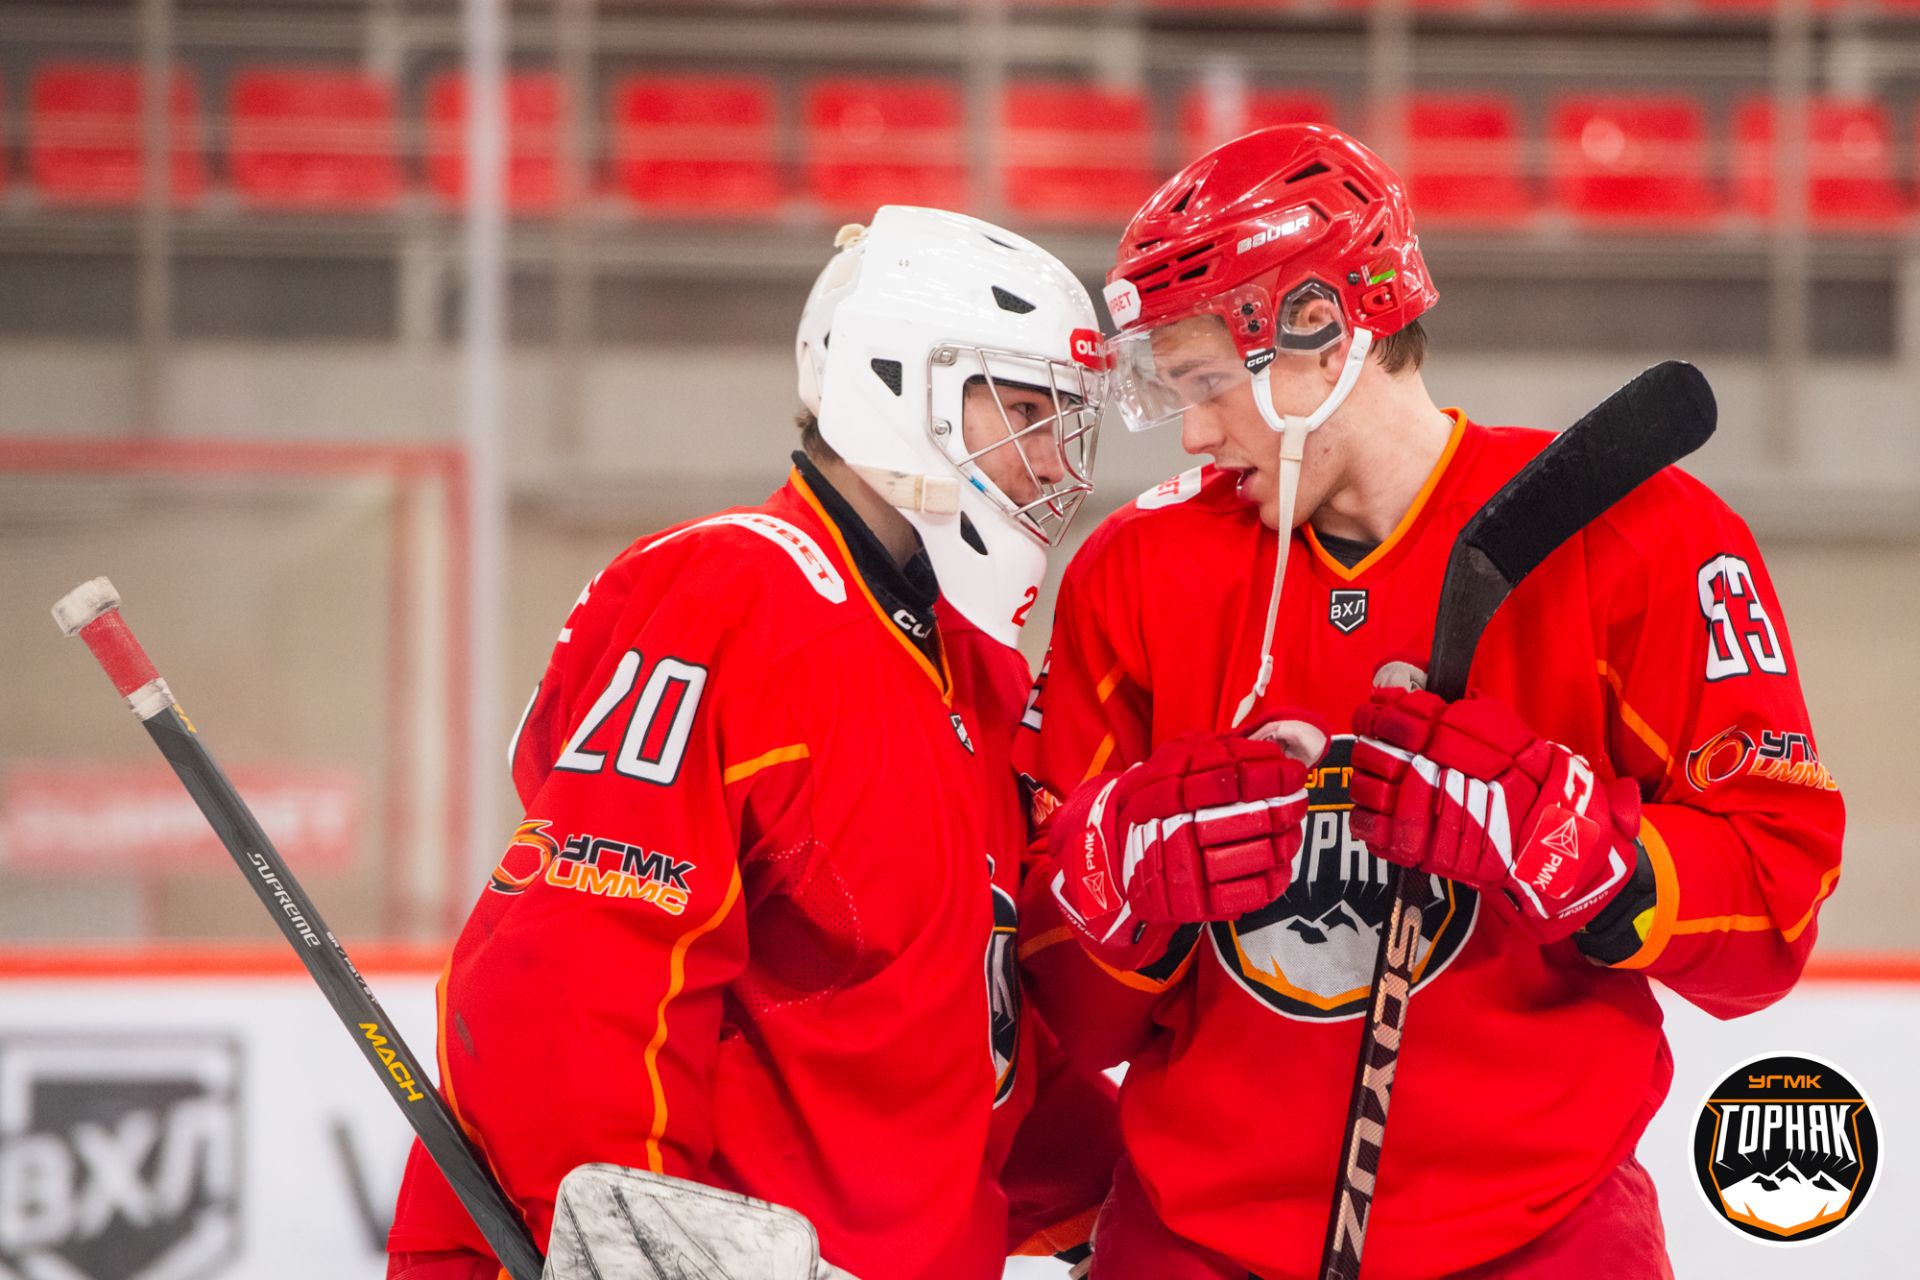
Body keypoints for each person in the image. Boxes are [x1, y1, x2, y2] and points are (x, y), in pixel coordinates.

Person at [1016, 124, 1845, 1279]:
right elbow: (1057, 1003)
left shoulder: (1640, 539)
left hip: (1543, 1236)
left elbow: (1771, 917)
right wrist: (1113, 880)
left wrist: (1588, 852)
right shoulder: (1136, 571)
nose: (1195, 431)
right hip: (1200, 1236)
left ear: (1320, 328)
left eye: (1205, 382)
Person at [387, 205, 1120, 1280]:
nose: (1052, 462)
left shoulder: (974, 678)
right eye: (1022, 410)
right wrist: (628, 1247)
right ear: (895, 385)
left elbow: (956, 1040)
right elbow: (578, 971)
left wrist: (1151, 1202)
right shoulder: (732, 597)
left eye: (1063, 421)